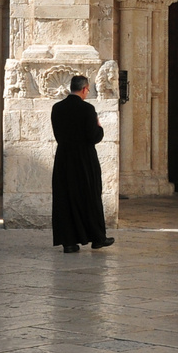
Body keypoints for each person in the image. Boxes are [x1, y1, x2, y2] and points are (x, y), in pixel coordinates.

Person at [51, 75, 113, 252]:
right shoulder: (87, 109)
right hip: (84, 159)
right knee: (90, 196)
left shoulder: (57, 108)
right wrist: (99, 127)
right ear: (85, 89)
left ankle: (69, 242)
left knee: (65, 198)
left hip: (63, 159)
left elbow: (58, 135)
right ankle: (97, 238)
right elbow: (93, 137)